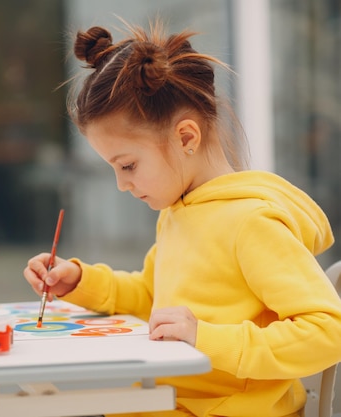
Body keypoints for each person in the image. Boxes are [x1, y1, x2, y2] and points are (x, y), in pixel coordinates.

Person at [23, 20, 341, 417]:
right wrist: (81, 281)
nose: (123, 184)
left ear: (186, 137)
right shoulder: (180, 212)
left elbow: (327, 332)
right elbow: (154, 299)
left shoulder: (251, 222)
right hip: (174, 402)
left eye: (128, 165)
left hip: (230, 410)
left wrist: (205, 337)